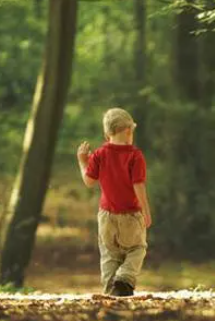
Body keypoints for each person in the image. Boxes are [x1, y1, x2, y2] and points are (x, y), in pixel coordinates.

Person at [76, 107, 152, 297]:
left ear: (106, 133)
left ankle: (111, 292)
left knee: (110, 255)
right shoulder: (135, 156)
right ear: (128, 131)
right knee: (137, 248)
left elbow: (89, 181)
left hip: (106, 216)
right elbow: (139, 186)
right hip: (131, 215)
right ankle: (124, 279)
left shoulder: (100, 154)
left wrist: (82, 162)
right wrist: (146, 212)